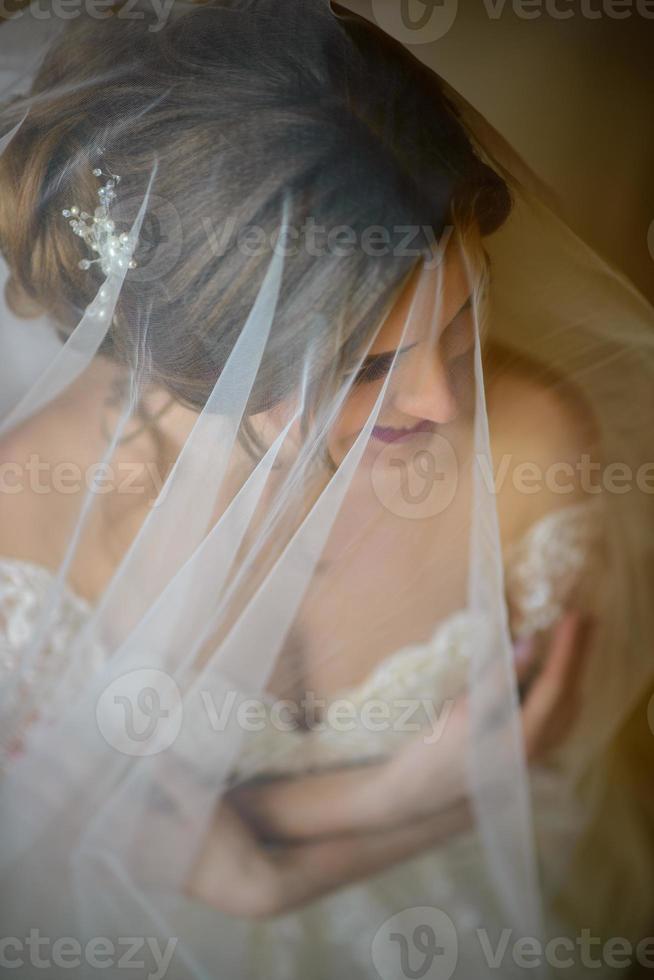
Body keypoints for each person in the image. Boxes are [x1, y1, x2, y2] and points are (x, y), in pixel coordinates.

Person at [0, 3, 652, 978]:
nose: (438, 398)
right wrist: (382, 802)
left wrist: (263, 850)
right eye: (362, 366)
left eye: (461, 319)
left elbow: (543, 753)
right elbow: (48, 821)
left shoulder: (531, 449)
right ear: (195, 357)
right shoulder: (29, 508)